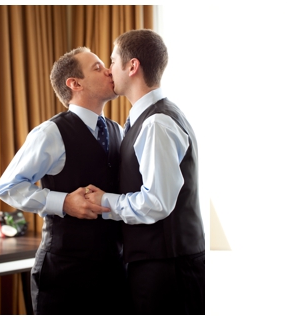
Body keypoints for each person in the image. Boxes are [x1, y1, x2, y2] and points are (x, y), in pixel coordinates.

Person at [0, 47, 129, 314]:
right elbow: (8, 186)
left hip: (114, 272)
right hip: (64, 275)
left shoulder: (119, 130)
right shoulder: (51, 133)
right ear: (75, 83)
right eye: (97, 67)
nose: (108, 71)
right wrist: (64, 202)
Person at [83, 29, 205, 315]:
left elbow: (156, 202)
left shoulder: (156, 125)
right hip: (158, 264)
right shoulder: (153, 118)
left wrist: (105, 202)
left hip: (167, 269)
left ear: (133, 66)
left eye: (113, 61)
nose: (109, 70)